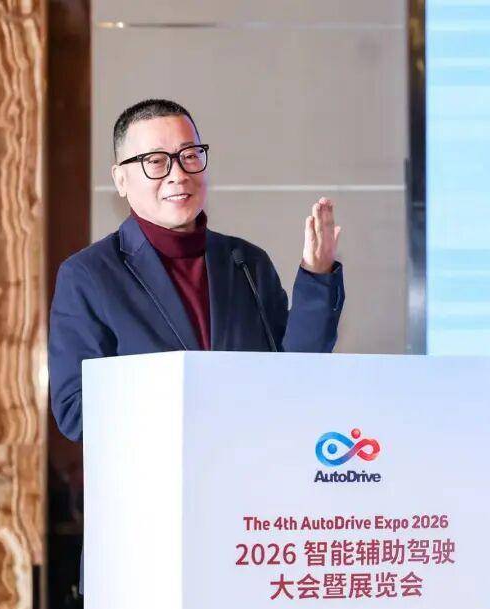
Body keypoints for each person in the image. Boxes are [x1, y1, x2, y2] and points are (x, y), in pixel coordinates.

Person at [48, 98, 344, 442]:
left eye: (189, 156)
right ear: (121, 179)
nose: (178, 175)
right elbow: (75, 411)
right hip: (156, 469)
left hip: (252, 465)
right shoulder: (89, 275)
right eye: (155, 161)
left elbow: (297, 375)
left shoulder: (245, 262)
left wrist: (317, 275)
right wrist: (191, 395)